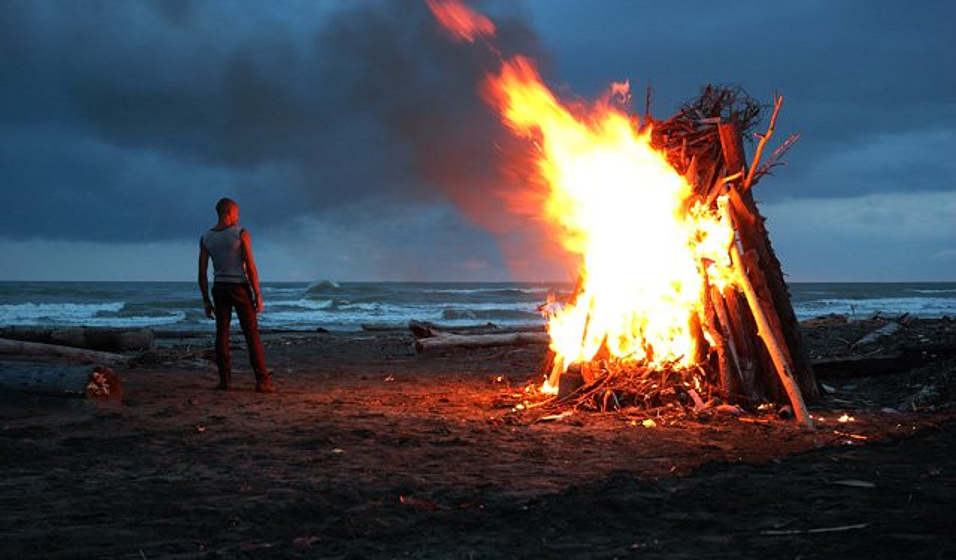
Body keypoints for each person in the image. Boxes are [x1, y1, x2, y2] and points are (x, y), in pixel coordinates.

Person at [198, 197, 276, 393]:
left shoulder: (206, 237)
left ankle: (226, 381)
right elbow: (250, 266)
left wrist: (206, 300)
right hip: (239, 287)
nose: (238, 217)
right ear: (228, 213)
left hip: (219, 287)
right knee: (251, 334)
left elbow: (202, 273)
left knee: (222, 334)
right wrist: (258, 293)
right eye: (236, 213)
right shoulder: (241, 233)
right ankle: (262, 381)